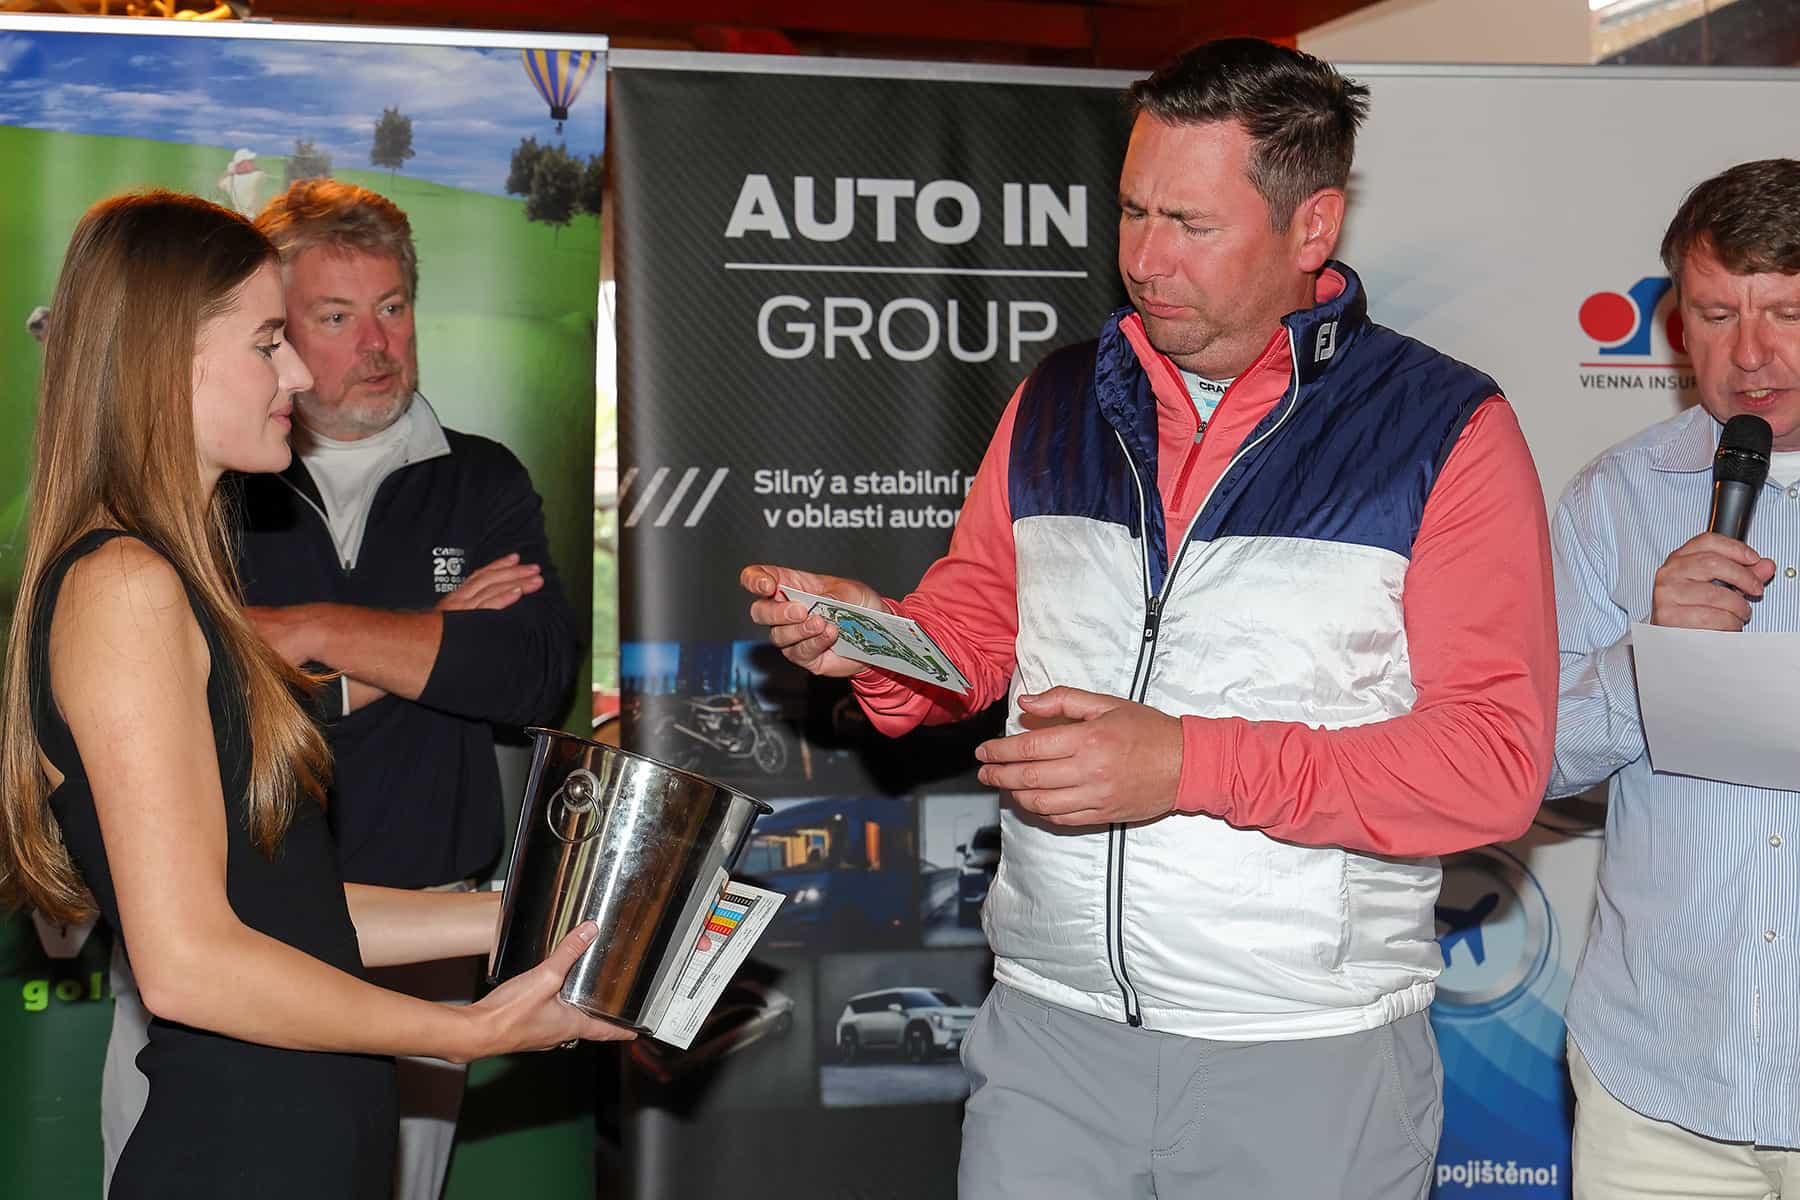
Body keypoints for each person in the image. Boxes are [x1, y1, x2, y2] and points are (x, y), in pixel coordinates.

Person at [743, 38, 1556, 1199]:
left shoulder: (1445, 429)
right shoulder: (1057, 396)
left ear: (1313, 227)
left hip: (1305, 1056)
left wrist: (1185, 764)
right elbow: (978, 630)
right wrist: (878, 638)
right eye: (1131, 210)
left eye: (1190, 222)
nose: (1143, 258)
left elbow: (1493, 764)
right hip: (1047, 1038)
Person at [0, 190, 630, 1200]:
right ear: (166, 359)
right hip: (237, 1157)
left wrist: (543, 912)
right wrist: (466, 1031)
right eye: (268, 342)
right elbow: (189, 965)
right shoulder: (125, 583)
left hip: (304, 1146)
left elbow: (290, 912)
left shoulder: (167, 574)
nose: (295, 373)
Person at [1550, 158, 1800, 1199]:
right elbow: (1527, 759)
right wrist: (1649, 655)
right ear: (1675, 327)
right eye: (1716, 314)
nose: (1750, 355)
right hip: (1658, 1093)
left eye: (1787, 313)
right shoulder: (1612, 499)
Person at [216, 148, 268, 218]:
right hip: (255, 218)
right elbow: (265, 172)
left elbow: (219, 183)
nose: (253, 162)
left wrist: (229, 171)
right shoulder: (256, 176)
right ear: (242, 164)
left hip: (241, 217)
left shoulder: (229, 180)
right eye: (250, 161)